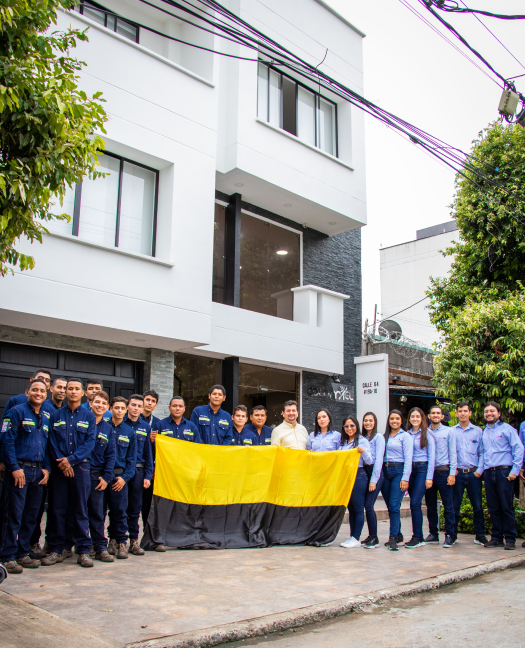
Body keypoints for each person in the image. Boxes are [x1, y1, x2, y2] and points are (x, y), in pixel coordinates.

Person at [43, 379, 96, 568]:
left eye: (76, 389)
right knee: (58, 509)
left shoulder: (89, 416)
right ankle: (57, 549)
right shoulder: (55, 415)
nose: (73, 392)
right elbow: (50, 441)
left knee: (80, 509)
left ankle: (83, 551)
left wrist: (71, 460)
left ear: (83, 393)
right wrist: (62, 462)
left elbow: (90, 442)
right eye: (70, 389)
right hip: (60, 470)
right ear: (65, 392)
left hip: (80, 469)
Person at [0, 380, 51, 574]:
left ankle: (22, 553)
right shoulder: (16, 411)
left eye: (42, 391)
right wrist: (13, 467)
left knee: (31, 515)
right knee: (13, 514)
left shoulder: (46, 416)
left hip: (38, 473)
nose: (38, 393)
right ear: (27, 392)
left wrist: (47, 469)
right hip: (20, 471)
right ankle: (7, 556)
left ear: (46, 394)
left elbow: (47, 446)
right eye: (35, 390)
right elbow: (7, 441)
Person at [28, 376, 68, 558]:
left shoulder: (65, 411)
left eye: (65, 388)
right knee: (34, 510)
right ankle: (30, 544)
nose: (62, 390)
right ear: (51, 389)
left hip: (56, 470)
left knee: (55, 509)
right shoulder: (42, 408)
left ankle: (50, 543)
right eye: (59, 387)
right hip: (41, 468)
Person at [479, 401, 524, 550]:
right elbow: (483, 453)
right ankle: (497, 537)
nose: (489, 414)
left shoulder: (508, 429)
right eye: (487, 411)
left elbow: (518, 449)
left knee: (506, 506)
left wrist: (515, 471)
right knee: (493, 507)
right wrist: (480, 471)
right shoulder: (484, 432)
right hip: (489, 472)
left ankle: (510, 538)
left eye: (492, 411)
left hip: (504, 472)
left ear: (499, 413)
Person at [86, 391, 116, 563]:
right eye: (97, 402)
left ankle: (100, 548)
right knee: (77, 512)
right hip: (79, 473)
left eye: (104, 403)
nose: (100, 406)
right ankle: (80, 548)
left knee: (97, 513)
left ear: (107, 408)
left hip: (97, 477)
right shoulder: (82, 422)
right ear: (90, 403)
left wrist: (106, 477)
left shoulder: (108, 428)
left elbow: (111, 455)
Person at [451, 401, 487, 546]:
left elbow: (482, 452)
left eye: (465, 411)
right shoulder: (452, 431)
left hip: (473, 474)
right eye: (460, 411)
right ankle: (452, 535)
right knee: (455, 506)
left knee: (477, 506)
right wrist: (452, 470)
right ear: (457, 413)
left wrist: (479, 471)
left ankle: (480, 535)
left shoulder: (478, 431)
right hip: (458, 474)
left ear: (470, 413)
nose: (463, 413)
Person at [106, 396, 137, 560]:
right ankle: (102, 543)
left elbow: (132, 460)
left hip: (120, 477)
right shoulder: (102, 427)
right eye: (116, 407)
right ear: (111, 408)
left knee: (120, 511)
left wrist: (125, 478)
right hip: (103, 476)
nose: (119, 411)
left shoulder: (130, 432)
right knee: (99, 512)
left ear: (126, 410)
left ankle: (121, 543)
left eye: (122, 408)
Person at [124, 395, 153, 556]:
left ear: (142, 409)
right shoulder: (119, 424)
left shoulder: (145, 427)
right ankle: (118, 540)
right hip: (121, 472)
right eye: (133, 405)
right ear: (128, 406)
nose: (136, 408)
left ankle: (134, 541)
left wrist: (148, 475)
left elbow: (148, 454)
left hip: (138, 472)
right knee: (119, 507)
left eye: (138, 406)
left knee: (135, 508)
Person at [424, 405, 457, 548]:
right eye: (433, 413)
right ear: (429, 416)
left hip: (444, 472)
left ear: (442, 416)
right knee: (430, 505)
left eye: (438, 413)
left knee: (448, 505)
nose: (435, 415)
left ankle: (450, 535)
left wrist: (452, 473)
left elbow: (453, 453)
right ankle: (433, 534)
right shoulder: (425, 432)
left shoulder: (449, 431)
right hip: (429, 473)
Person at [381, 410, 413, 551]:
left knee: (394, 506)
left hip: (399, 471)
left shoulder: (405, 436)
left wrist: (405, 478)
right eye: (392, 418)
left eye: (397, 419)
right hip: (385, 471)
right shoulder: (384, 436)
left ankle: (393, 538)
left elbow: (408, 458)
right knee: (390, 506)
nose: (394, 421)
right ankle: (398, 534)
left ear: (401, 421)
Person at [339, 415, 372, 549]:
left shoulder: (362, 441)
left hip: (358, 475)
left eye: (352, 425)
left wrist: (362, 451)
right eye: (346, 426)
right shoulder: (343, 442)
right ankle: (352, 536)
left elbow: (369, 460)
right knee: (351, 509)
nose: (349, 428)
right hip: (347, 477)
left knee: (358, 508)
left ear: (357, 426)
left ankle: (356, 537)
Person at [405, 407, 436, 549]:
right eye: (412, 416)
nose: (415, 419)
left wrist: (429, 477)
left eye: (417, 416)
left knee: (415, 503)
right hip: (410, 470)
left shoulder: (427, 434)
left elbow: (432, 457)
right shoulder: (406, 434)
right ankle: (417, 535)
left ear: (422, 418)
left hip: (422, 469)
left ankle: (418, 537)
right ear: (409, 418)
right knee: (414, 503)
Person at [360, 412, 386, 549]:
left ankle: (375, 538)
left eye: (370, 420)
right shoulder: (363, 438)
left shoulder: (379, 437)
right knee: (366, 505)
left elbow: (379, 460)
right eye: (366, 420)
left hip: (375, 473)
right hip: (365, 472)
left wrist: (373, 480)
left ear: (375, 422)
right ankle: (370, 536)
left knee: (369, 505)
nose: (368, 423)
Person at [140, 389, 160, 529]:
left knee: (147, 504)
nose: (149, 403)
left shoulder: (157, 423)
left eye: (153, 401)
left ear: (156, 405)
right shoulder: (132, 418)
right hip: (133, 465)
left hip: (149, 468)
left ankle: (146, 534)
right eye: (147, 400)